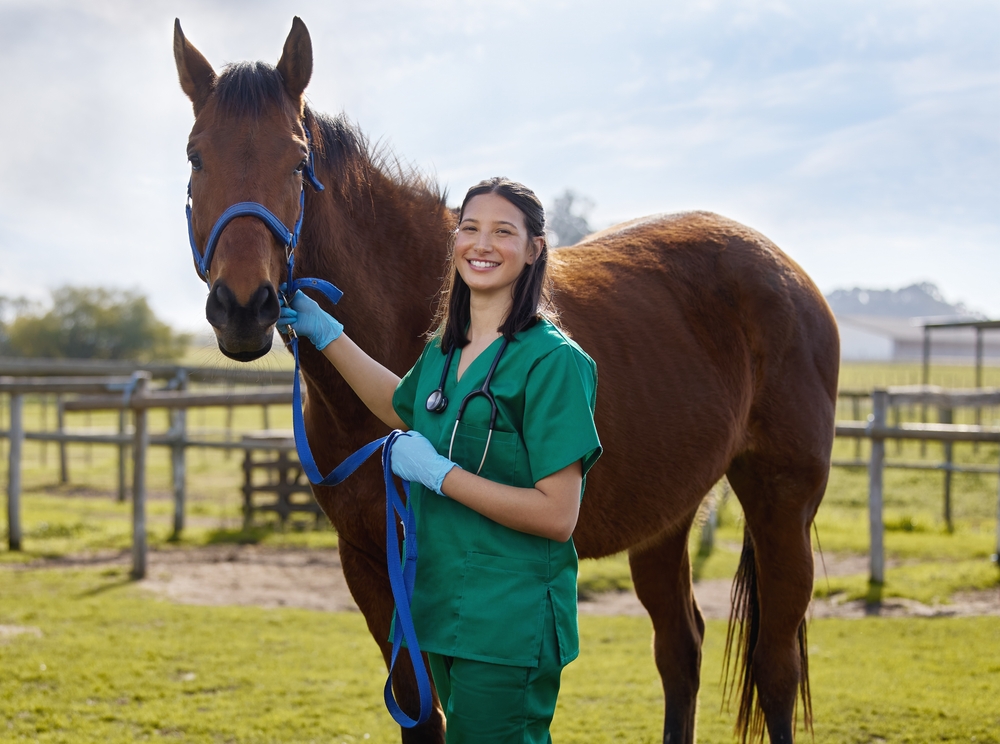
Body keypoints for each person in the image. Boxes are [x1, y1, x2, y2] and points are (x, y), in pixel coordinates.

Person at [278, 177, 601, 743]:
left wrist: (441, 476)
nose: (482, 243)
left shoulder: (554, 363)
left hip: (507, 621)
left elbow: (558, 515)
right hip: (442, 611)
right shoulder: (445, 351)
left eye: (504, 232)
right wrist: (326, 334)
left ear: (534, 250)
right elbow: (398, 405)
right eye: (470, 228)